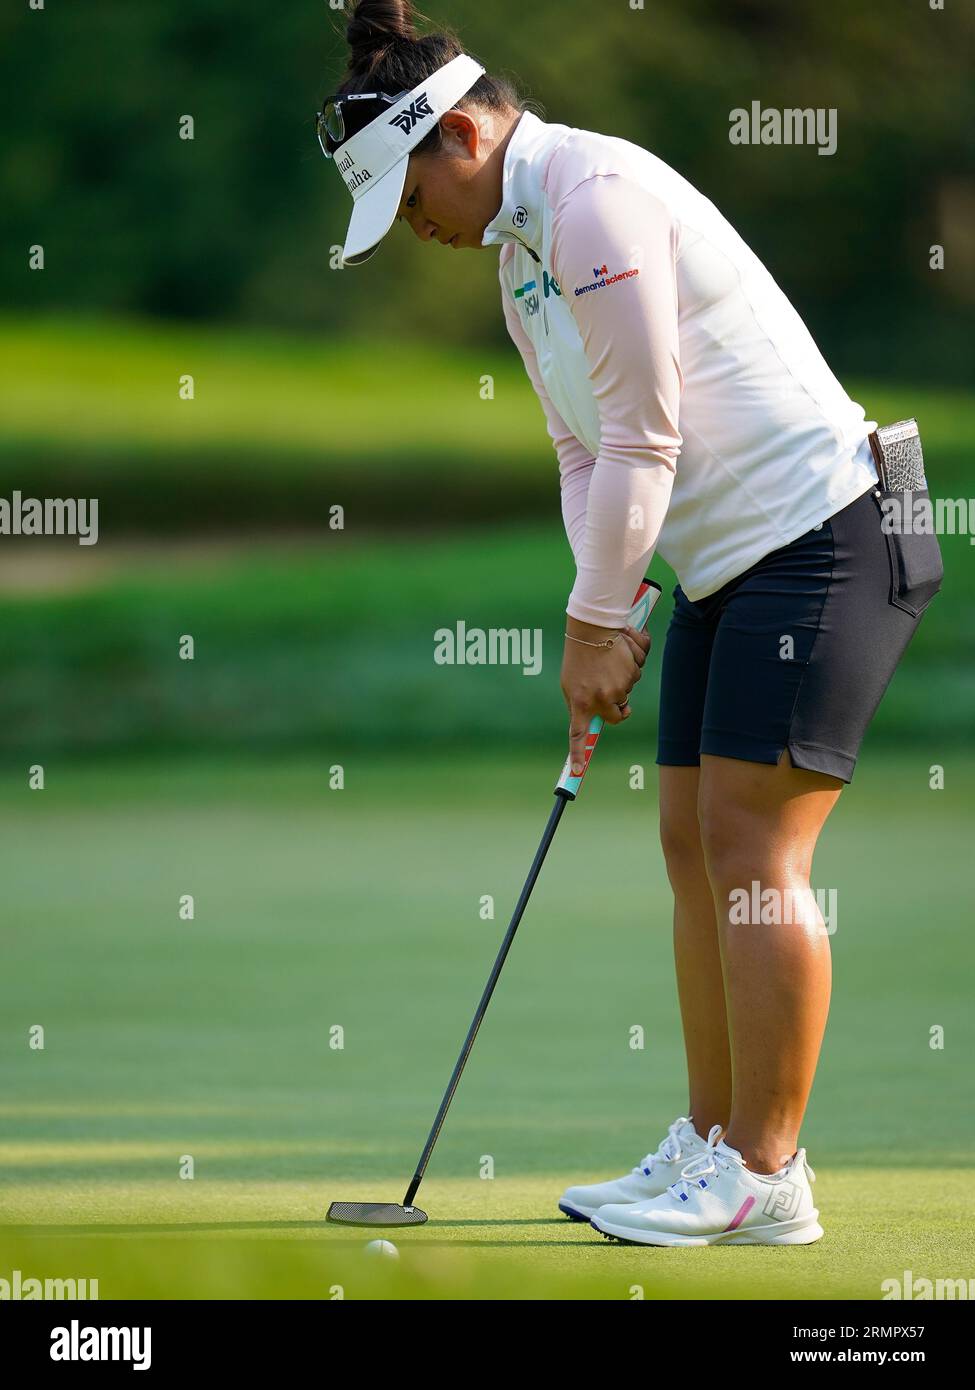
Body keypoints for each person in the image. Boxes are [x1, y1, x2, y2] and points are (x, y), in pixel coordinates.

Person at [318, 0, 943, 1246]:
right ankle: (712, 1146)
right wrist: (609, 606)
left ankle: (768, 1175)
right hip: (727, 564)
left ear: (467, 135)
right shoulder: (520, 254)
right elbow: (581, 449)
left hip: (827, 533)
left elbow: (647, 434)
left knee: (753, 852)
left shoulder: (596, 195)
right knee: (687, 843)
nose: (414, 232)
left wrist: (596, 619)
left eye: (410, 199)